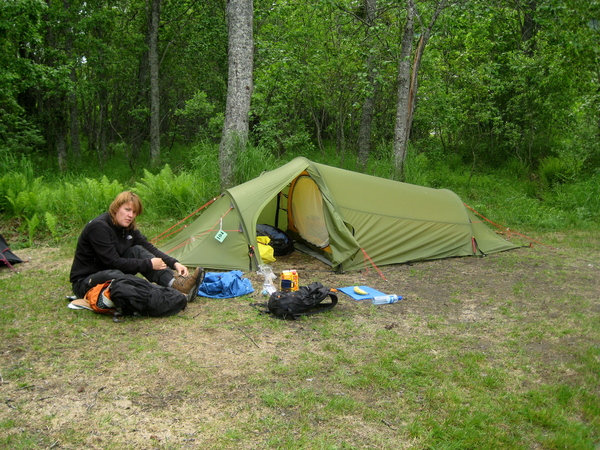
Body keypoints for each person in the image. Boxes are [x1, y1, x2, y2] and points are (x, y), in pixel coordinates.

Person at [69, 191, 203, 302]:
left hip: (112, 271)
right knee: (116, 274)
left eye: (134, 212)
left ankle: (178, 284)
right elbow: (113, 262)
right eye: (127, 210)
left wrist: (174, 263)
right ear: (116, 208)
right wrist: (149, 264)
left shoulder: (127, 227)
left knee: (137, 251)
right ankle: (170, 294)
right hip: (86, 281)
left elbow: (149, 248)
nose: (130, 216)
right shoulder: (99, 228)